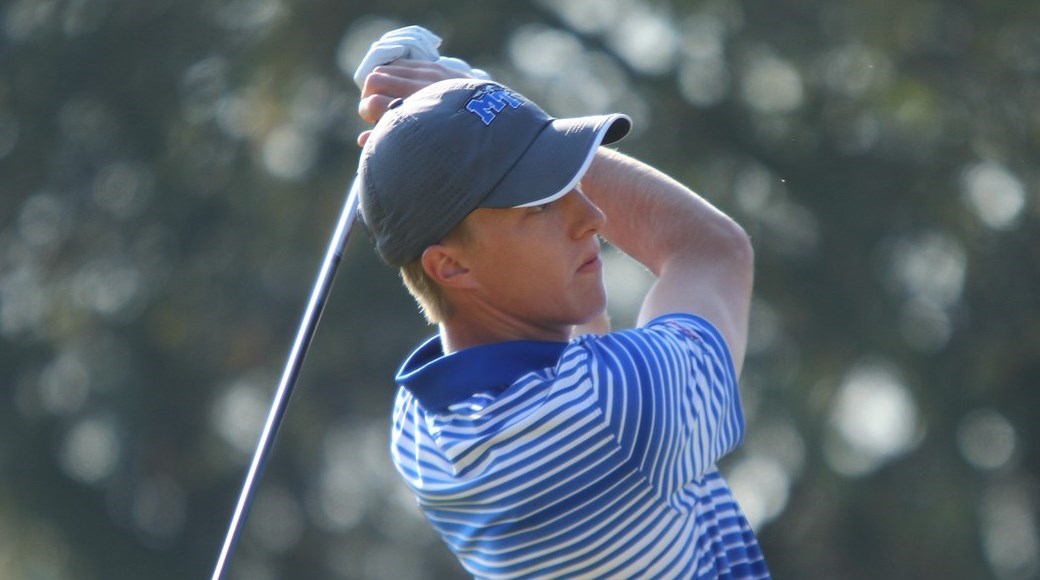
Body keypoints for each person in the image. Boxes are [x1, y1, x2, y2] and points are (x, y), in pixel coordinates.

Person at [353, 27, 769, 579]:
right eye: (541, 204)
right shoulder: (622, 412)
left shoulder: (419, 428)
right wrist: (474, 91)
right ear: (450, 266)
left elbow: (577, 352)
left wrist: (459, 127)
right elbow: (712, 250)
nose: (592, 217)